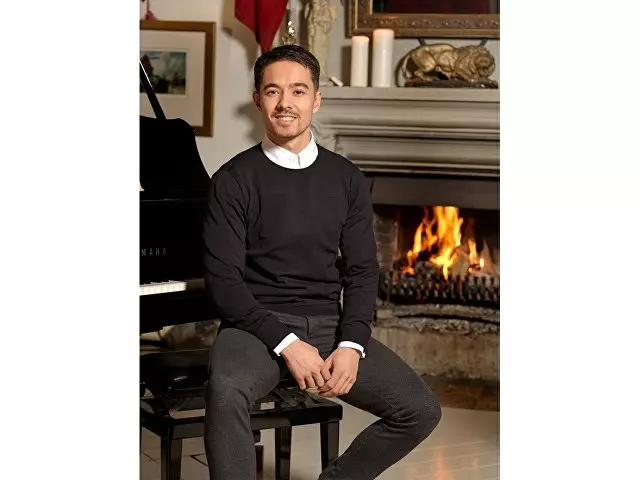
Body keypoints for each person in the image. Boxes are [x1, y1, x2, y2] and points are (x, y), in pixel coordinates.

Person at [202, 44, 441, 480]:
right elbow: (224, 283)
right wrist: (287, 343)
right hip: (255, 325)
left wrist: (352, 344)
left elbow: (362, 270)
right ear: (257, 100)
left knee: (420, 410)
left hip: (330, 325)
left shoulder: (346, 178)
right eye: (273, 91)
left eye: (298, 91)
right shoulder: (232, 180)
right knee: (225, 389)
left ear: (316, 99)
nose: (285, 103)